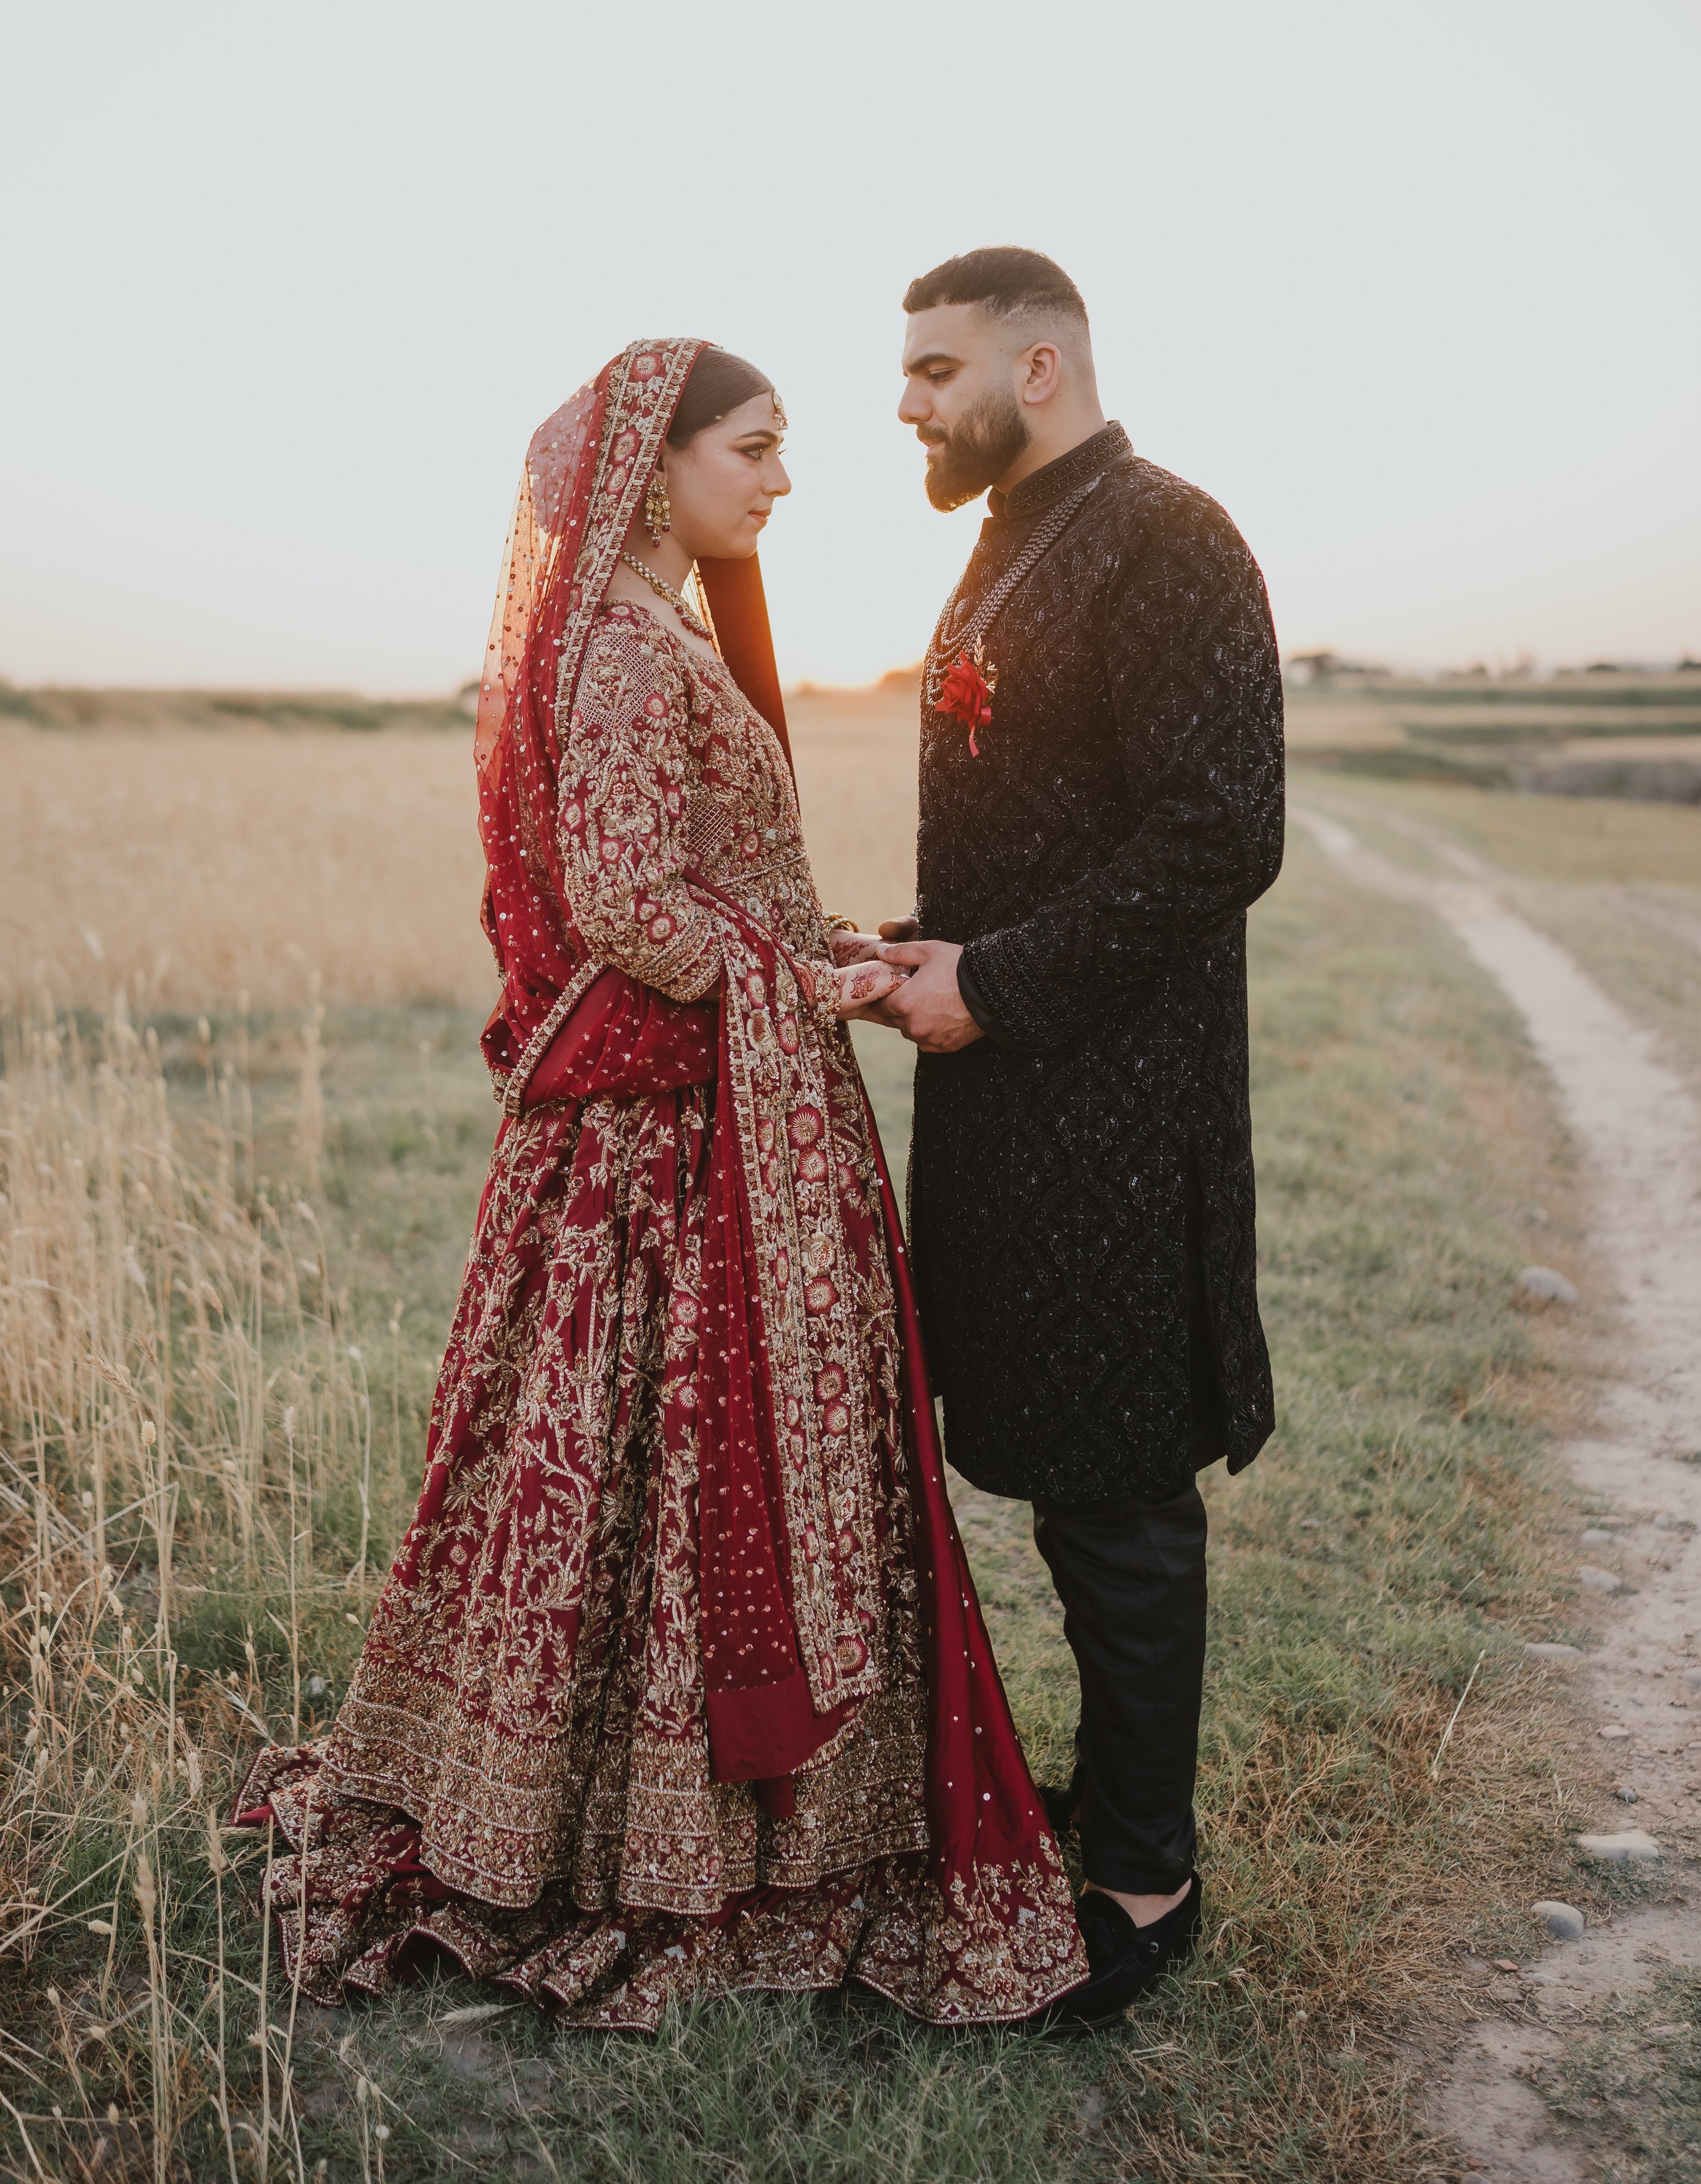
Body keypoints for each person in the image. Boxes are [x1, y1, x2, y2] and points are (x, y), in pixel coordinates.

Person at [233, 338, 1085, 2032]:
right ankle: (655, 1848)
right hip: (663, 1156)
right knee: (657, 1477)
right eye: (756, 450)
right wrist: (820, 989)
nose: (780, 483)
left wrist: (833, 943)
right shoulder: (626, 650)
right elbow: (632, 907)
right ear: (656, 464)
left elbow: (709, 886)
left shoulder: (653, 630)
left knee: (651, 1493)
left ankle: (657, 1824)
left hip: (700, 1115)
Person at [864, 248, 1285, 2029]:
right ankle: (1113, 1808)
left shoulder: (1169, 536)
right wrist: (916, 951)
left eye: (933, 369)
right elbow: (1043, 825)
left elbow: (1219, 837)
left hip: (1117, 1108)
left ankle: (1146, 1885)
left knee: (1117, 1501)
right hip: (1015, 1091)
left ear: (1040, 368)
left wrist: (1003, 984)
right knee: (1050, 1471)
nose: (907, 404)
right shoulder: (1016, 532)